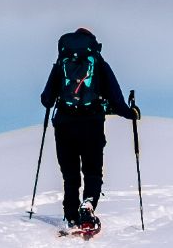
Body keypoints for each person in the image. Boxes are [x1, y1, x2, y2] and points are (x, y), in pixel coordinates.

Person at [40, 28, 135, 229]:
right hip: (92, 124)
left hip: (64, 125)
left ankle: (71, 216)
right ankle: (88, 204)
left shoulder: (61, 63)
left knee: (70, 175)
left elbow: (46, 99)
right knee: (92, 171)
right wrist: (130, 113)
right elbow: (116, 98)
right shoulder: (98, 62)